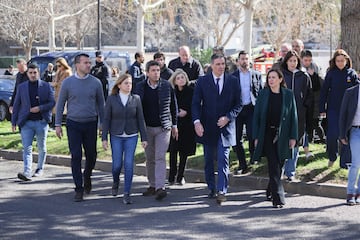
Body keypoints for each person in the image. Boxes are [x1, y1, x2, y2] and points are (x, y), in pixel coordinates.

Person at [192, 53, 241, 204]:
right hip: (208, 127)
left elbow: (238, 104)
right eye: (218, 64)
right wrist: (197, 122)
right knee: (208, 160)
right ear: (212, 65)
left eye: (222, 64)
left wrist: (228, 117)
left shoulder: (233, 81)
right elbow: (195, 103)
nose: (221, 67)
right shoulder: (202, 81)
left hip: (225, 128)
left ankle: (222, 190)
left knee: (223, 159)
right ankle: (211, 188)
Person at [55, 53, 105, 202]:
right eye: (85, 63)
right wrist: (58, 124)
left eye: (89, 63)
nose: (89, 65)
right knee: (76, 155)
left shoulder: (96, 83)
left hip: (90, 123)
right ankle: (78, 188)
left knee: (91, 155)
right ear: (77, 65)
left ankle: (87, 176)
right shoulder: (68, 83)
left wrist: (102, 123)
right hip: (73, 123)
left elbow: (101, 105)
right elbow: (60, 105)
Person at [253, 68, 298, 208]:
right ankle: (278, 198)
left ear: (280, 79)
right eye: (269, 77)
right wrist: (255, 136)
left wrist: (293, 136)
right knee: (273, 164)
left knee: (279, 165)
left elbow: (293, 117)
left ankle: (270, 190)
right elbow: (257, 117)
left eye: (273, 77)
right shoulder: (263, 94)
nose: (271, 80)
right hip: (266, 134)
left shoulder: (288, 94)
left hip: (283, 135)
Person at [134, 60, 178, 201]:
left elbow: (173, 106)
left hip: (163, 127)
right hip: (147, 127)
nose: (156, 73)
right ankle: (152, 185)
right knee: (150, 157)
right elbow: (135, 107)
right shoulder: (140, 87)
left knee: (160, 156)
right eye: (153, 70)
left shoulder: (166, 86)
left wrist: (174, 125)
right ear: (147, 73)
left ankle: (160, 187)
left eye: (158, 70)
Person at [102, 73, 148, 204]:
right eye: (126, 83)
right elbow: (106, 119)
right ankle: (116, 181)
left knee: (128, 163)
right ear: (119, 84)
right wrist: (104, 137)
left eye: (130, 83)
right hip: (116, 135)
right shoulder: (112, 99)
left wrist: (144, 137)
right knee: (117, 165)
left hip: (131, 135)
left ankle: (127, 192)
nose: (129, 86)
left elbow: (140, 118)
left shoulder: (136, 99)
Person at [11, 63, 55, 181]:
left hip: (41, 122)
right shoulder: (22, 87)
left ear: (38, 73)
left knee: (42, 147)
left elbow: (52, 103)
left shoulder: (46, 86)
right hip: (26, 122)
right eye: (30, 73)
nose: (32, 75)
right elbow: (17, 104)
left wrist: (40, 108)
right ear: (27, 73)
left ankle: (40, 168)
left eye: (35, 73)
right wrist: (14, 121)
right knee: (27, 148)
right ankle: (27, 172)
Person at [319, 49, 359, 168]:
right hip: (333, 109)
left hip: (348, 111)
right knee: (332, 135)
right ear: (334, 61)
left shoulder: (352, 74)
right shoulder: (331, 73)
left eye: (342, 61)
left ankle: (345, 162)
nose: (340, 63)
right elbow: (324, 91)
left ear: (347, 61)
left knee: (347, 136)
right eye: (338, 61)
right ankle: (332, 156)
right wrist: (322, 108)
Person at [280, 50, 312, 181]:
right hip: (283, 114)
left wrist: (304, 108)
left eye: (295, 61)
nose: (292, 63)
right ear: (286, 61)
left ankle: (290, 171)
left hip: (299, 114)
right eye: (290, 60)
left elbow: (309, 96)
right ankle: (280, 170)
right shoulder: (281, 75)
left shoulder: (303, 76)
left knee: (296, 141)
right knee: (283, 141)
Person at [232, 50, 263, 174]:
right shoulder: (233, 76)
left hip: (251, 108)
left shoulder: (256, 75)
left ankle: (253, 158)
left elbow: (260, 92)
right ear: (238, 61)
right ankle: (242, 164)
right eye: (242, 59)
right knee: (237, 138)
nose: (244, 61)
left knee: (251, 135)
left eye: (246, 59)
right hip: (238, 110)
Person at [168, 69, 196, 185]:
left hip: (187, 124)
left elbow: (194, 105)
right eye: (178, 78)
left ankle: (180, 176)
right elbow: (169, 106)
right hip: (175, 124)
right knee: (173, 151)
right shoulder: (172, 92)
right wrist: (176, 113)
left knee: (184, 152)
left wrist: (187, 112)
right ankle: (171, 176)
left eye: (182, 77)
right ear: (174, 80)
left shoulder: (191, 91)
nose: (181, 80)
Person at [339, 82, 360, 205]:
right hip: (355, 131)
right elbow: (343, 114)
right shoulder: (350, 92)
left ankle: (358, 193)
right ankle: (350, 193)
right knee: (356, 163)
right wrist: (342, 134)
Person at [300, 50, 325, 145]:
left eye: (309, 60)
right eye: (305, 60)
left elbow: (319, 85)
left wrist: (313, 75)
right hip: (305, 99)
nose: (307, 62)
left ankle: (322, 139)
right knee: (307, 122)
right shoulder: (300, 69)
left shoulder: (314, 68)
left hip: (315, 99)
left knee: (315, 122)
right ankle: (309, 140)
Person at [51, 57, 72, 128]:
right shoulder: (58, 72)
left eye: (60, 65)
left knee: (63, 109)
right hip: (57, 92)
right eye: (57, 66)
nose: (59, 67)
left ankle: (63, 123)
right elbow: (55, 81)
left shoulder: (68, 72)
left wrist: (57, 84)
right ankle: (55, 124)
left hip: (65, 93)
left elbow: (69, 83)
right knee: (55, 109)